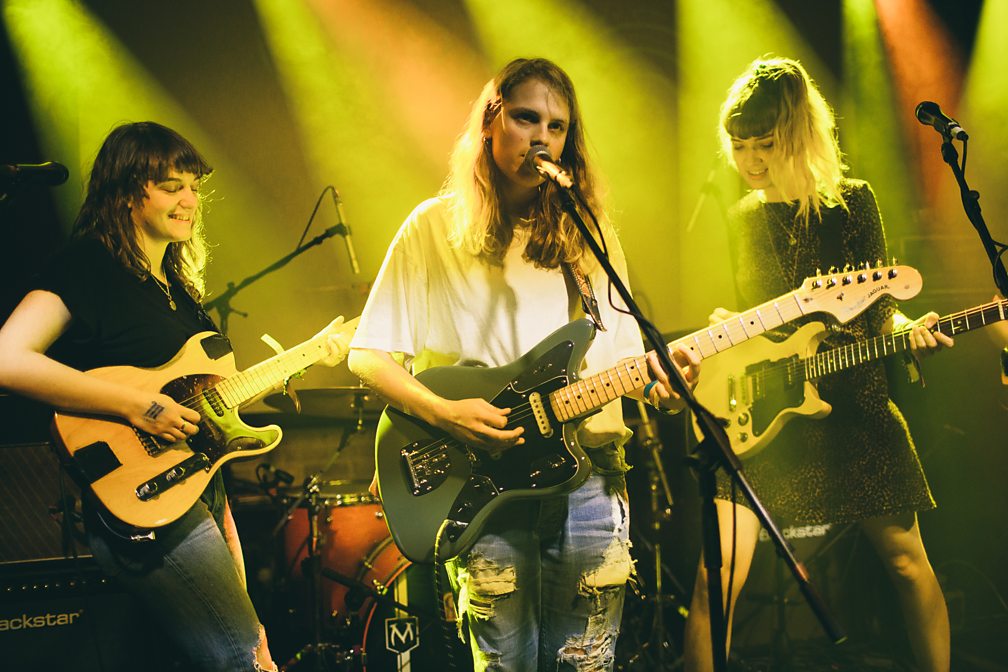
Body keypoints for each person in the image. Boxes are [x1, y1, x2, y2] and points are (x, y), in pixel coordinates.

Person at [348, 57, 700, 671]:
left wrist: (658, 384)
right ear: (490, 123)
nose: (542, 137)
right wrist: (444, 413)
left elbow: (621, 354)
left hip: (589, 476)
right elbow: (368, 355)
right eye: (526, 118)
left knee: (585, 663)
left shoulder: (586, 231)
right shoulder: (432, 228)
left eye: (557, 127)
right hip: (485, 484)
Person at [0, 121, 351, 671]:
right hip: (143, 497)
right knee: (238, 654)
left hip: (199, 484)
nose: (190, 200)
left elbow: (205, 398)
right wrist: (137, 406)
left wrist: (304, 357)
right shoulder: (87, 265)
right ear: (125, 192)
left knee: (244, 651)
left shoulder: (176, 290)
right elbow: (7, 358)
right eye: (171, 187)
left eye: (194, 186)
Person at [682, 58, 952, 672]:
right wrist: (730, 329)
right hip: (766, 413)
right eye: (739, 146)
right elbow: (744, 321)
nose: (750, 160)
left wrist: (909, 331)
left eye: (764, 144)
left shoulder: (854, 204)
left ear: (798, 135)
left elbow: (881, 307)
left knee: (908, 564)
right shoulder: (742, 220)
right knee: (713, 579)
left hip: (853, 405)